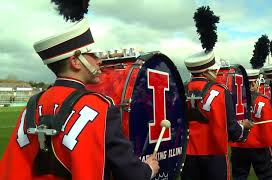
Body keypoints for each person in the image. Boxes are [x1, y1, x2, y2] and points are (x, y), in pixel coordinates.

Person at [0, 18, 159, 180]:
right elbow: (130, 174)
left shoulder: (32, 105)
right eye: (92, 54)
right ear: (75, 61)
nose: (99, 61)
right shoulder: (100, 108)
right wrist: (148, 170)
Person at [181, 48, 253, 180]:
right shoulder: (220, 91)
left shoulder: (181, 91)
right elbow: (232, 130)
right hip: (215, 154)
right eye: (214, 70)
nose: (216, 72)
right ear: (206, 71)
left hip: (187, 156)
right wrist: (244, 128)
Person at [231, 69, 272, 180]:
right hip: (259, 146)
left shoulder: (232, 102)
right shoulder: (263, 100)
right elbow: (268, 128)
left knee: (239, 177)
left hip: (238, 145)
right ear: (254, 83)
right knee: (266, 177)